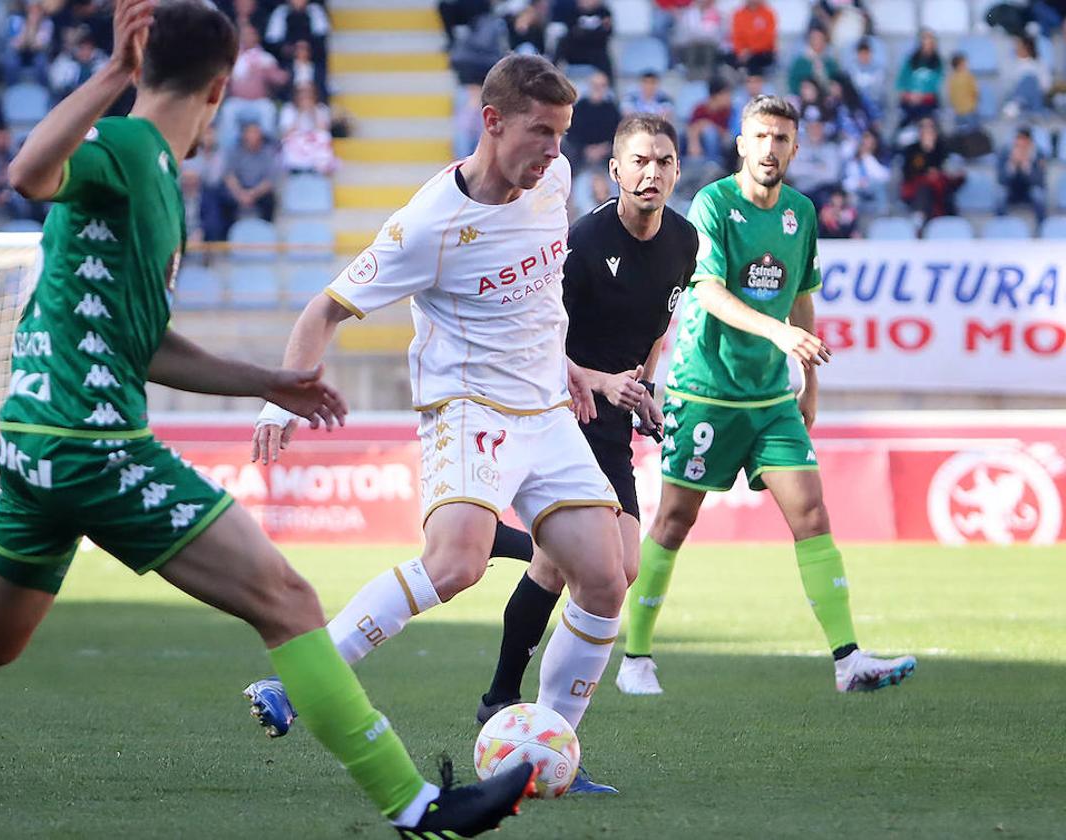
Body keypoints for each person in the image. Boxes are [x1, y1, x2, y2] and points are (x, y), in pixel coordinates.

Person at [0, 3, 535, 837]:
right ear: (221, 88)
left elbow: (147, 346)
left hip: (36, 441)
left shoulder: (153, 180)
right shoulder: (130, 148)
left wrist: (273, 380)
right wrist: (115, 74)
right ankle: (419, 806)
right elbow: (28, 173)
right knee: (288, 599)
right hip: (94, 445)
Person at [245, 53, 628, 795]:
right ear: (492, 122)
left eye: (563, 134)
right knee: (457, 564)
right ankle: (302, 682)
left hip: (547, 408)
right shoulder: (428, 224)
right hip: (468, 407)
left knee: (606, 578)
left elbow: (541, 295)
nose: (557, 152)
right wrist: (278, 397)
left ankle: (547, 750)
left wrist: (570, 367)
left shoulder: (553, 181)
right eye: (541, 132)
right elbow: (324, 309)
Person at [616, 94, 917, 696]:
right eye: (761, 137)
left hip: (770, 398)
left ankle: (847, 660)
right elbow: (711, 293)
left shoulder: (801, 212)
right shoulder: (713, 204)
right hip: (705, 392)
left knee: (811, 513)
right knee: (675, 521)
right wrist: (780, 333)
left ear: (795, 148)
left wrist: (810, 380)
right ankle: (635, 658)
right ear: (741, 143)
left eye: (782, 139)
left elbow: (803, 294)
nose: (770, 148)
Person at [474, 113, 697, 759]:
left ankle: (505, 698)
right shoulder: (581, 243)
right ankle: (520, 709)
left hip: (615, 417)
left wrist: (645, 392)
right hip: (561, 410)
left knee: (600, 567)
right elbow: (540, 343)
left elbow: (658, 330)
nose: (651, 172)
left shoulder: (684, 243)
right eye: (639, 161)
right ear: (616, 172)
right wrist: (601, 384)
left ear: (676, 170)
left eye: (663, 160)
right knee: (604, 571)